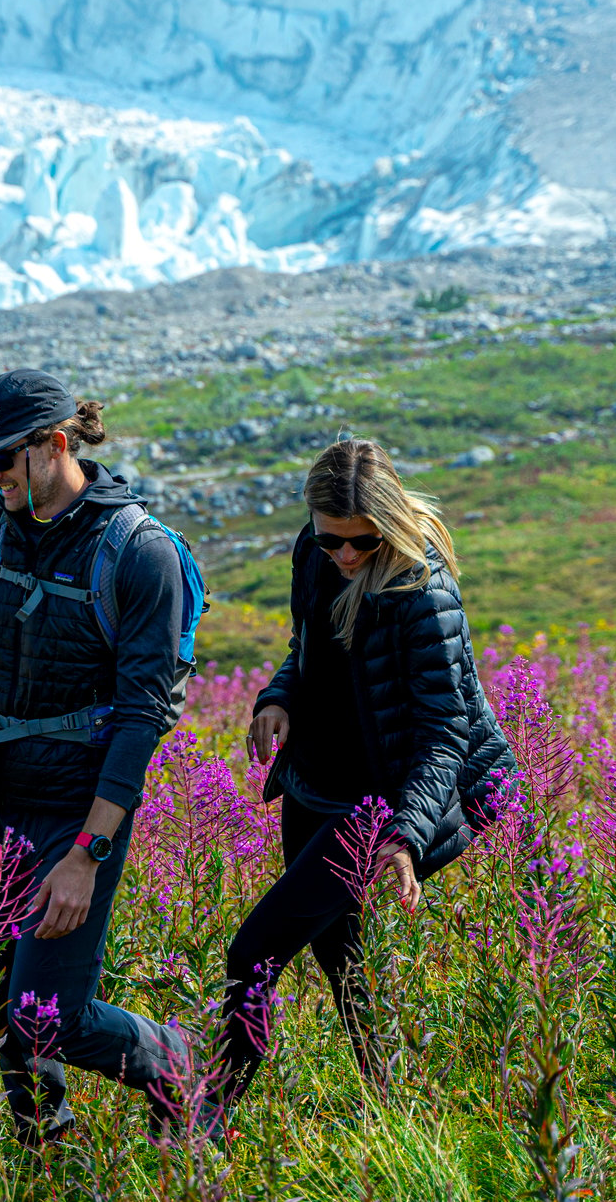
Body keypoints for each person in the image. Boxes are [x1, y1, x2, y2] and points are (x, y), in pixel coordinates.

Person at [0, 368, 195, 1145]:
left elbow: (142, 717)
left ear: (54, 444)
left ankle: (180, 1063)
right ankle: (51, 1160)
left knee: (50, 1015)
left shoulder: (139, 553)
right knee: (1, 1007)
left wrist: (87, 853)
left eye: (1, 457)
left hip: (76, 815)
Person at [218, 436, 516, 1115]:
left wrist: (408, 834)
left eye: (363, 540)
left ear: (387, 523)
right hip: (317, 782)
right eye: (332, 542)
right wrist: (278, 696)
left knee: (253, 950)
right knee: (340, 958)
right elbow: (309, 651)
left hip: (390, 796)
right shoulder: (314, 554)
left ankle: (206, 1117)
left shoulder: (421, 588)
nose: (345, 555)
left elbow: (445, 732)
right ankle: (395, 1113)